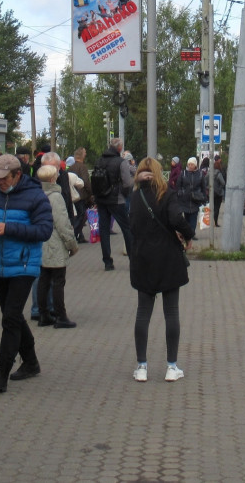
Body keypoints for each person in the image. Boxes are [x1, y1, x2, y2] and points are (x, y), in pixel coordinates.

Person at [0, 154, 53, 392]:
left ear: (17, 175)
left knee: (10, 317)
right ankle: (30, 362)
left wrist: (8, 228)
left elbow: (44, 230)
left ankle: (1, 374)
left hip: (24, 265)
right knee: (13, 316)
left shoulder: (36, 196)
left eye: (3, 178)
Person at [128, 156, 194, 383]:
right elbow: (177, 218)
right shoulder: (166, 194)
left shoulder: (135, 197)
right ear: (159, 173)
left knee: (143, 313)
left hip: (143, 259)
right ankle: (171, 367)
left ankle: (141, 366)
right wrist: (188, 235)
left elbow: (132, 226)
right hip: (168, 259)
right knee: (171, 312)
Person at [35, 157, 79, 328]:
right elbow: (63, 223)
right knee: (58, 281)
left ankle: (43, 314)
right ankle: (61, 316)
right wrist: (72, 245)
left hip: (41, 243)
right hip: (54, 243)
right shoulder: (55, 196)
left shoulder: (37, 195)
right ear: (53, 178)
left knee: (43, 280)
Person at [92, 137, 135, 271]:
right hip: (117, 199)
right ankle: (133, 260)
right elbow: (127, 182)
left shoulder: (99, 160)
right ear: (119, 148)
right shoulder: (121, 162)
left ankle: (107, 262)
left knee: (104, 230)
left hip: (101, 199)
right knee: (126, 228)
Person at [176, 157, 208, 233]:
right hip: (185, 200)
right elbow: (178, 185)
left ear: (195, 165)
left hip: (195, 200)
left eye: (192, 164)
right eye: (189, 164)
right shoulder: (183, 173)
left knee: (193, 218)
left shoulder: (200, 174)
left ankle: (192, 233)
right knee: (186, 218)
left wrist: (204, 198)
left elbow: (203, 187)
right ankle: (188, 233)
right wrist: (180, 192)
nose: (190, 166)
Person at [212, 157, 227, 227]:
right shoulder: (219, 174)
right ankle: (215, 222)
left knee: (212, 207)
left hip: (211, 193)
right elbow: (223, 183)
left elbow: (205, 180)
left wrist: (208, 187)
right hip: (218, 193)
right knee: (217, 208)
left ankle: (211, 221)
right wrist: (220, 188)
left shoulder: (210, 173)